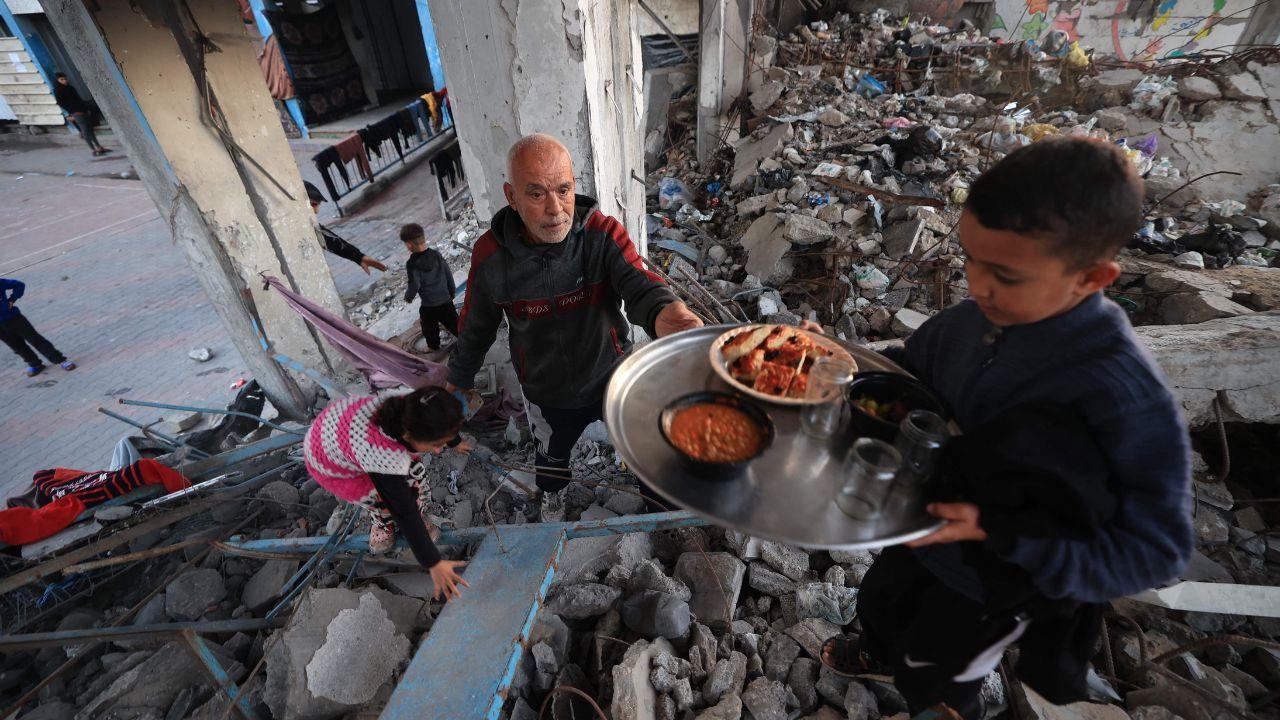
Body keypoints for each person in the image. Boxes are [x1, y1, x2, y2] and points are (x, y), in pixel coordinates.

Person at [821, 138, 1193, 716]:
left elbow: (1158, 552)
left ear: (1093, 276)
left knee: (940, 669)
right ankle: (876, 651)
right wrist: (839, 365)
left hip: (995, 584)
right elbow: (910, 373)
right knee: (883, 601)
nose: (976, 284)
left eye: (1005, 275)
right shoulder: (972, 322)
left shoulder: (1121, 398)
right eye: (968, 258)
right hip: (918, 527)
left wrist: (1006, 535)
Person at [446, 134, 702, 521]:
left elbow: (639, 283)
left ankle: (660, 510)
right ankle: (553, 496)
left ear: (574, 187)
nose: (555, 209)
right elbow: (475, 327)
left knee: (643, 448)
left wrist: (664, 312)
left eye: (563, 190)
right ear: (511, 197)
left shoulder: (602, 235)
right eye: (536, 194)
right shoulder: (491, 258)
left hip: (613, 375)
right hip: (547, 392)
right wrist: (458, 380)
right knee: (551, 458)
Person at [303, 386, 471, 601]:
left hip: (340, 428)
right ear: (408, 435)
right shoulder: (381, 454)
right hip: (330, 461)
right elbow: (404, 510)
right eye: (436, 444)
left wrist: (455, 442)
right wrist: (433, 562)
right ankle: (382, 524)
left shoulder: (412, 405)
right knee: (384, 500)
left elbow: (445, 420)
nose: (438, 450)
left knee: (413, 477)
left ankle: (397, 519)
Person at [304, 181, 388, 275]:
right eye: (314, 204)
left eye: (317, 205)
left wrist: (359, 257)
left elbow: (327, 238)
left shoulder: (307, 224)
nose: (316, 211)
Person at [400, 223, 458, 351]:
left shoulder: (412, 264)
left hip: (430, 304)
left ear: (409, 245)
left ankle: (433, 346)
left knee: (429, 326)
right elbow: (447, 273)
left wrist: (408, 297)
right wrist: (452, 291)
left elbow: (414, 284)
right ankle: (467, 339)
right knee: (454, 322)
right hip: (445, 299)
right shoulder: (436, 255)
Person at [1, 278, 76, 377]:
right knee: (16, 346)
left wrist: (12, 299)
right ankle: (35, 364)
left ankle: (60, 360)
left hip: (13, 318)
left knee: (35, 339)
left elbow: (19, 285)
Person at [52, 73, 110, 157]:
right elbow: (61, 103)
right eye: (62, 79)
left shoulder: (71, 88)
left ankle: (99, 147)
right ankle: (93, 149)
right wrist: (73, 112)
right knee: (85, 131)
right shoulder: (58, 90)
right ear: (57, 81)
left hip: (83, 111)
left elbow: (79, 100)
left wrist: (86, 109)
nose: (65, 81)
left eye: (65, 79)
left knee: (90, 130)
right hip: (76, 113)